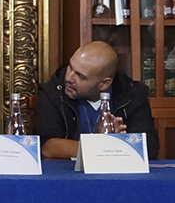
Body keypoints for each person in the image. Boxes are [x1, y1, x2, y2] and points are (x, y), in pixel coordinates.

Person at [29, 41, 160, 160]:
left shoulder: (131, 94)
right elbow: (46, 147)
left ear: (104, 84)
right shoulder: (52, 92)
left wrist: (105, 146)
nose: (68, 78)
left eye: (81, 76)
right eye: (70, 67)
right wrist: (101, 145)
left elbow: (149, 145)